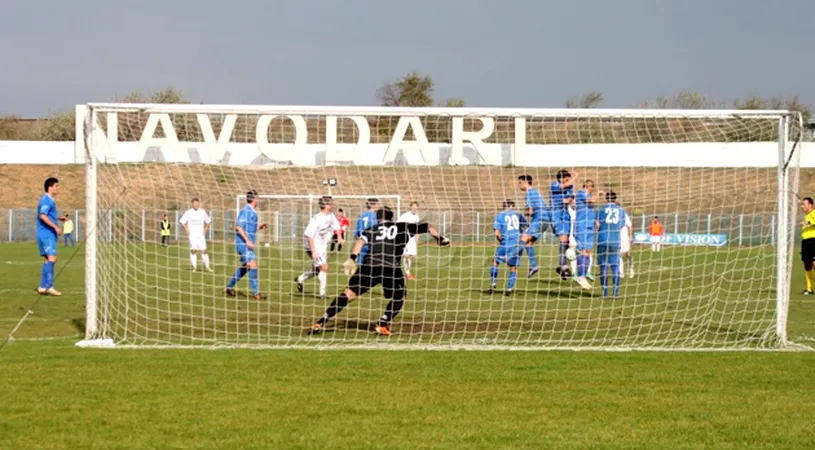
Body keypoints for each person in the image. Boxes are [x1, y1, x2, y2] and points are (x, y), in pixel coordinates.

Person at [306, 206, 449, 336]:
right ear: (392, 218)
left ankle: (321, 321)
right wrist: (440, 239)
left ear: (377, 218)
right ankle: (382, 323)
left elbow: (359, 242)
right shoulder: (403, 226)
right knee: (400, 296)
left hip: (369, 266)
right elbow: (429, 227)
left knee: (348, 294)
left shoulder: (371, 229)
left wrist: (352, 259)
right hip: (390, 267)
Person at [295, 196, 342, 299]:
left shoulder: (330, 215)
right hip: (312, 245)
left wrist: (339, 237)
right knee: (324, 267)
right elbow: (309, 236)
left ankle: (300, 279)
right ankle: (322, 293)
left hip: (322, 245)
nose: (332, 205)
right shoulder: (317, 219)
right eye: (331, 203)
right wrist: (313, 252)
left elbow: (337, 226)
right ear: (325, 205)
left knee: (316, 270)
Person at [225, 190, 268, 300]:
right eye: (257, 197)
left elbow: (248, 228)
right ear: (254, 199)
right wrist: (247, 241)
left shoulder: (252, 211)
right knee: (253, 266)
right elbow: (239, 226)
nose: (258, 199)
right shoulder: (246, 211)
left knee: (245, 268)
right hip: (243, 244)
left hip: (246, 244)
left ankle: (229, 287)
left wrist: (258, 227)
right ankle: (256, 293)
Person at [490, 200, 526, 295]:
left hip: (505, 243)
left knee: (495, 262)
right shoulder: (518, 215)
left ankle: (493, 282)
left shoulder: (500, 215)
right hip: (516, 245)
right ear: (512, 206)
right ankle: (509, 289)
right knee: (513, 267)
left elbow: (497, 233)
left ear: (504, 206)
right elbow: (525, 228)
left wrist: (501, 241)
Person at [596, 191, 629, 298]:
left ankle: (605, 292)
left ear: (606, 199)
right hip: (615, 240)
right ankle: (615, 292)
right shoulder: (621, 210)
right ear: (616, 199)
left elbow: (597, 224)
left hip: (603, 239)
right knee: (615, 266)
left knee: (603, 266)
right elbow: (621, 226)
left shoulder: (601, 209)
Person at [36, 177, 63, 296]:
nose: (57, 189)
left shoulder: (47, 200)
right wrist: (56, 227)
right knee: (52, 258)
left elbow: (45, 215)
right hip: (47, 234)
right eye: (56, 186)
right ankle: (49, 286)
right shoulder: (47, 200)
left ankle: (42, 287)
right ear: (50, 187)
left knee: (47, 259)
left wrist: (58, 218)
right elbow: (42, 215)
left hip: (43, 233)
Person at [517, 175, 546, 278]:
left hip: (539, 219)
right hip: (545, 220)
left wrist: (525, 214)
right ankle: (533, 266)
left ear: (526, 182)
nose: (519, 185)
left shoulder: (529, 193)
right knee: (528, 244)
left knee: (523, 237)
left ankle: (514, 258)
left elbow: (530, 211)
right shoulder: (535, 192)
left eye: (520, 182)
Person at [550, 169, 577, 278]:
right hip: (556, 214)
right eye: (566, 179)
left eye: (568, 180)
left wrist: (572, 201)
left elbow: (570, 200)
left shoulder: (570, 186)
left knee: (566, 241)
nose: (568, 182)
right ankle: (563, 265)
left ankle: (562, 265)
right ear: (560, 179)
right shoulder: (554, 185)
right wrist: (575, 177)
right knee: (563, 239)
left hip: (566, 214)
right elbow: (564, 199)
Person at [574, 180, 600, 289]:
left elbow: (590, 209)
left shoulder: (588, 195)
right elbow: (591, 200)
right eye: (592, 187)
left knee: (588, 252)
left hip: (589, 226)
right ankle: (580, 276)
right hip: (581, 226)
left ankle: (583, 276)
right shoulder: (581, 193)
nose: (592, 189)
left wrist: (595, 221)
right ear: (589, 186)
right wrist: (598, 193)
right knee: (583, 251)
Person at [179, 198, 212, 272]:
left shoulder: (202, 212)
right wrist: (186, 229)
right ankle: (194, 267)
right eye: (195, 204)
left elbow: (209, 222)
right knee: (193, 250)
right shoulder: (188, 212)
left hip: (200, 235)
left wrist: (205, 229)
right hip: (192, 235)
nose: (196, 205)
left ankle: (207, 266)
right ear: (192, 204)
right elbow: (182, 221)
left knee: (203, 250)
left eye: (198, 204)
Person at [397, 201, 421, 280]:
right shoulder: (405, 216)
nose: (414, 209)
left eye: (416, 207)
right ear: (410, 207)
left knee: (410, 256)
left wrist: (416, 241)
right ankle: (407, 273)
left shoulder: (417, 218)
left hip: (412, 240)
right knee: (406, 256)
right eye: (413, 207)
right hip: (406, 238)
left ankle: (406, 272)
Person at [353, 198, 380, 264]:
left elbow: (356, 234)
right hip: (372, 245)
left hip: (362, 244)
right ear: (373, 205)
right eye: (377, 204)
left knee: (360, 266)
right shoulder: (375, 216)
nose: (379, 206)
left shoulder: (361, 216)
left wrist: (360, 243)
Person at [800, 197, 815, 295]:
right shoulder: (807, 215)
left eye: (804, 204)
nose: (802, 206)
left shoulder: (814, 213)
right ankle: (809, 288)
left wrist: (806, 223)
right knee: (807, 265)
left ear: (810, 205)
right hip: (805, 241)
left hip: (813, 240)